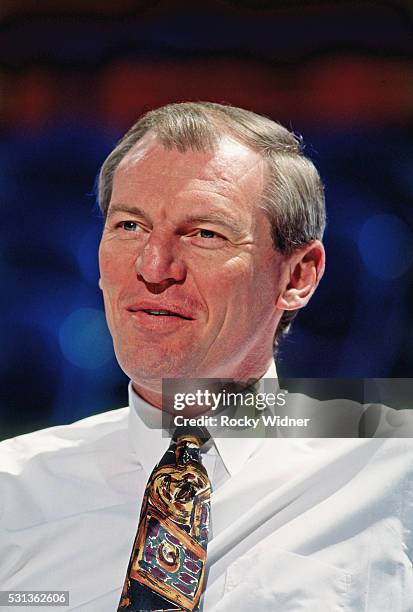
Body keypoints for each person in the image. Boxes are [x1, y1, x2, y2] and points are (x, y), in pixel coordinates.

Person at [1, 102, 412, 611]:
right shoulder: (11, 487)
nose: (153, 267)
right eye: (129, 226)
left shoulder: (393, 464)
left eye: (205, 234)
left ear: (299, 276)